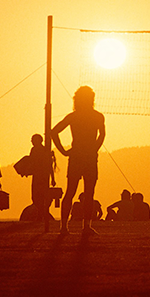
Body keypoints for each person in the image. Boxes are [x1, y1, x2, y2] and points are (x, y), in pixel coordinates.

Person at [52, 85, 106, 236]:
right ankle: (70, 226)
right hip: (83, 157)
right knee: (81, 192)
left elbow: (53, 132)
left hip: (81, 157)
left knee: (78, 192)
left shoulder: (78, 116)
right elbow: (53, 132)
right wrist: (64, 151)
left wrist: (64, 151)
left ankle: (74, 227)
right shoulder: (91, 116)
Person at [29, 134, 56, 232]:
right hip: (38, 176)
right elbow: (31, 162)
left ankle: (41, 215)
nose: (31, 141)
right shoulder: (35, 150)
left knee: (41, 196)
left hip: (42, 177)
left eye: (32, 140)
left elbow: (49, 165)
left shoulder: (43, 150)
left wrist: (52, 178)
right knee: (36, 197)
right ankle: (41, 214)